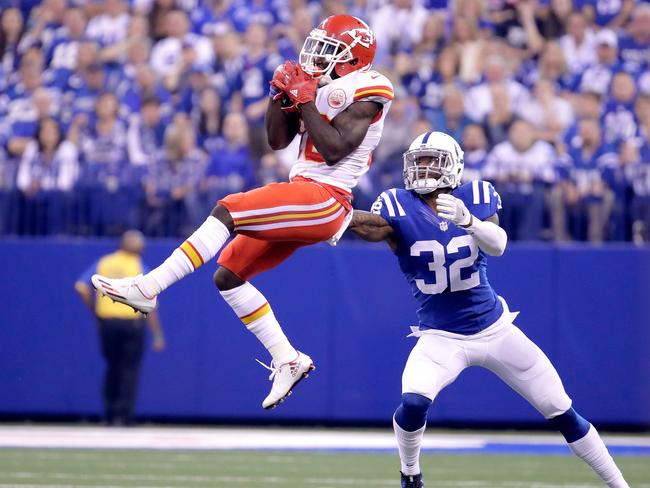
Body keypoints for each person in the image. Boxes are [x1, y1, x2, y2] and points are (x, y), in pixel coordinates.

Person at [92, 14, 394, 410]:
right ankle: (288, 358)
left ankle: (147, 288)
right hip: (305, 191)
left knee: (227, 210)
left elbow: (337, 147)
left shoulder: (370, 89)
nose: (317, 56)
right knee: (229, 274)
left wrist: (304, 100)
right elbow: (275, 140)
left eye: (329, 50)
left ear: (353, 59)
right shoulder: (319, 85)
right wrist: (280, 97)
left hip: (326, 197)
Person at [346, 131, 629, 488]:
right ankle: (410, 473)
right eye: (418, 161)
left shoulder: (475, 195)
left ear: (454, 165)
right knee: (414, 402)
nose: (422, 168)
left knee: (561, 411)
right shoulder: (396, 205)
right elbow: (368, 228)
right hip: (440, 335)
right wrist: (335, 212)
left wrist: (469, 221)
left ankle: (620, 485)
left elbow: (498, 245)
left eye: (432, 160)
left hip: (495, 330)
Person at [75, 230, 165, 426]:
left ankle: (109, 414)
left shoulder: (105, 262)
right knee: (130, 369)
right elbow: (150, 299)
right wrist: (157, 333)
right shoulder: (138, 265)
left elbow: (81, 287)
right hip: (132, 323)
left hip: (107, 322)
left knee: (112, 367)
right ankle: (125, 416)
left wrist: (95, 311)